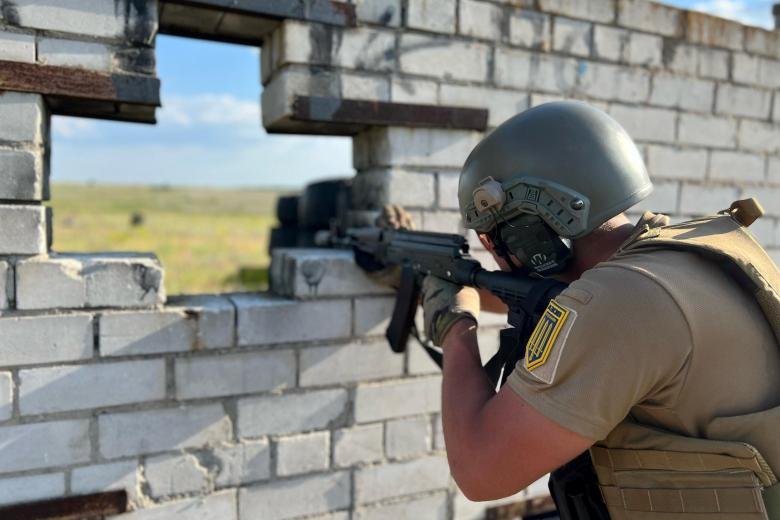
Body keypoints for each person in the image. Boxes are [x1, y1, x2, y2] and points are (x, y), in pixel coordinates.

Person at [418, 101, 780, 519]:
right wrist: (467, 287)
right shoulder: (675, 259)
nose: (496, 254)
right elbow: (553, 296)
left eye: (493, 239)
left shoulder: (618, 303)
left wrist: (453, 325)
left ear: (528, 230)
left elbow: (480, 471)